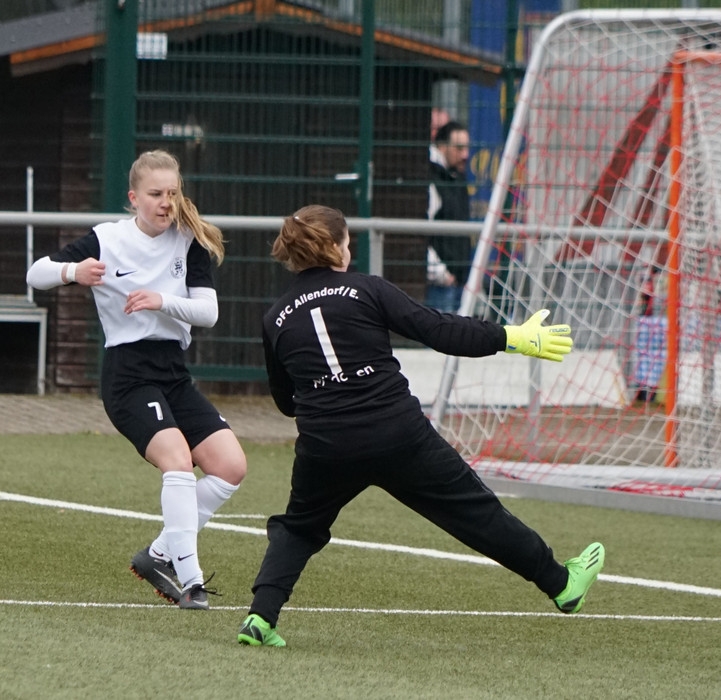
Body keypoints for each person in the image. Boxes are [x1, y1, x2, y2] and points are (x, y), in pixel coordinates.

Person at [237, 204, 605, 647]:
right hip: (397, 433)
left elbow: (284, 401)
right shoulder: (367, 290)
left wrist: (327, 398)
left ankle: (260, 619)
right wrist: (513, 337)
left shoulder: (275, 317)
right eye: (348, 241)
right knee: (473, 512)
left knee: (297, 528)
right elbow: (438, 330)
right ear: (336, 248)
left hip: (326, 445)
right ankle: (562, 584)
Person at [26, 149, 247, 610]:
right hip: (129, 377)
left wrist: (160, 300)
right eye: (156, 194)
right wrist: (73, 271)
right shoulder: (107, 239)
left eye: (172, 193)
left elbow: (208, 312)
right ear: (134, 198)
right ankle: (190, 581)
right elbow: (37, 273)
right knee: (179, 462)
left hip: (173, 373)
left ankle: (158, 554)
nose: (167, 202)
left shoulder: (189, 240)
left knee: (230, 466)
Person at [426, 120, 472, 313]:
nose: (465, 155)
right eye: (459, 148)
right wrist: (439, 273)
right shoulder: (430, 178)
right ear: (442, 146)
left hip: (457, 282)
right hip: (439, 284)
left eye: (467, 148)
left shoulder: (456, 178)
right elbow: (420, 230)